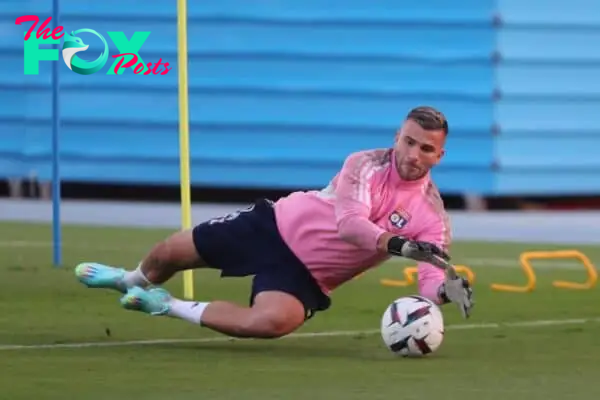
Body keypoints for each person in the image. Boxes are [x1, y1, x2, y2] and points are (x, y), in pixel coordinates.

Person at [75, 105, 474, 339]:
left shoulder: (432, 216)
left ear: (439, 156)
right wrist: (400, 245)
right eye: (408, 141)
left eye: (426, 148)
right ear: (397, 137)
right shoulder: (365, 164)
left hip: (309, 275)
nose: (413, 154)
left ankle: (165, 305)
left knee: (272, 323)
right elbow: (350, 225)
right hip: (275, 226)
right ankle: (129, 280)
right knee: (170, 253)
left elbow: (430, 274)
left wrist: (444, 292)